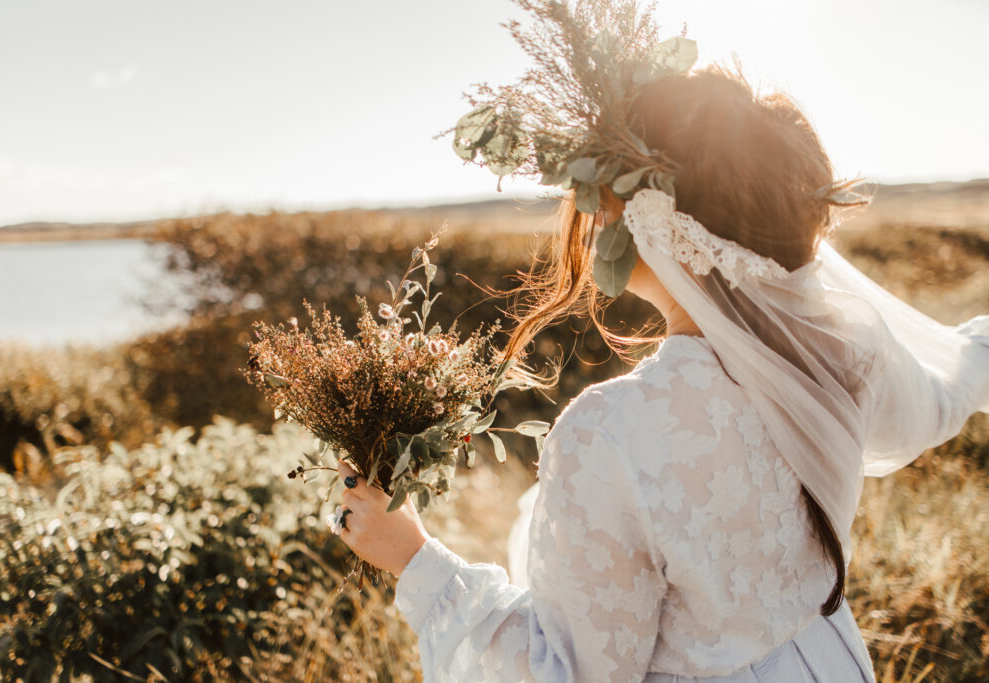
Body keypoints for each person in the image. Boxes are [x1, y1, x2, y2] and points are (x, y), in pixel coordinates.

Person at [330, 43, 989, 683]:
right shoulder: (843, 349)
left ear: (651, 219)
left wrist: (414, 559)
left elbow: (573, 673)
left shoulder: (610, 432)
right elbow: (946, 394)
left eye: (599, 193)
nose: (588, 210)